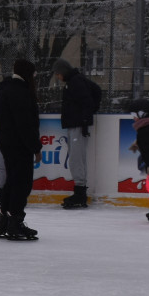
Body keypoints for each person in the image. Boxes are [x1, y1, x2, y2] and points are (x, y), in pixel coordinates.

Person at [0, 58, 42, 240]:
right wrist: (35, 147)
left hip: (5, 143)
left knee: (11, 181)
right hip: (19, 144)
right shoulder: (21, 92)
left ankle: (5, 220)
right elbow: (26, 124)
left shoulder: (2, 89)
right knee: (22, 183)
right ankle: (14, 221)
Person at [52, 58, 102, 209]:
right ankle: (80, 193)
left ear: (63, 72)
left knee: (76, 159)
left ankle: (80, 194)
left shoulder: (76, 82)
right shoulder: (75, 81)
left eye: (57, 74)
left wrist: (85, 119)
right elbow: (96, 90)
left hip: (78, 126)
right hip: (76, 124)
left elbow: (90, 98)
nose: (57, 77)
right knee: (77, 158)